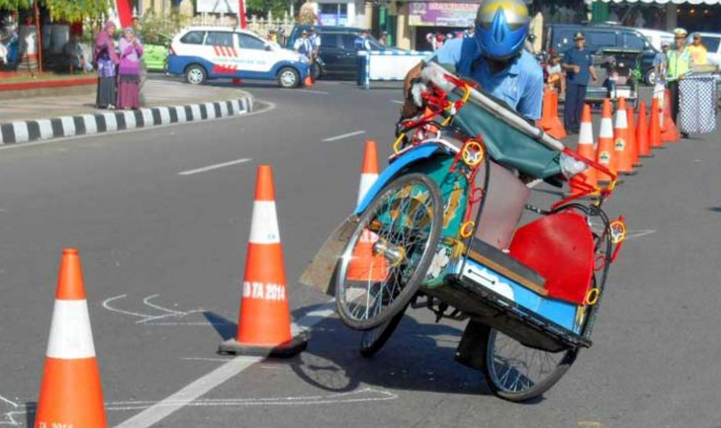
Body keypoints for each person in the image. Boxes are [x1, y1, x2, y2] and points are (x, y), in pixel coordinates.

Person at [402, 0, 544, 122]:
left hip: (500, 147)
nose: (494, 65)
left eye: (502, 62)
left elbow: (529, 126)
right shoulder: (458, 48)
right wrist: (412, 102)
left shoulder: (532, 72)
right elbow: (416, 72)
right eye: (489, 58)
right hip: (457, 137)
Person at [562, 32, 597, 134]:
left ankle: (576, 126)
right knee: (570, 105)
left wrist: (594, 75)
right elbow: (564, 65)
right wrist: (571, 67)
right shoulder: (570, 52)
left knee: (579, 105)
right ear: (574, 41)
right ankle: (568, 126)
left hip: (583, 82)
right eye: (577, 40)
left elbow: (590, 65)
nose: (579, 42)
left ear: (584, 40)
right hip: (572, 81)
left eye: (581, 40)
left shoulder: (587, 53)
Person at [667, 28, 692, 137]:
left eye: (681, 38)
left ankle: (685, 129)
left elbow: (692, 67)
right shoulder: (670, 52)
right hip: (672, 81)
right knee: (672, 105)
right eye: (677, 38)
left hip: (685, 81)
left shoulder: (688, 53)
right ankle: (672, 127)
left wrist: (685, 74)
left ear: (685, 40)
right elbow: (665, 66)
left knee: (685, 106)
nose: (679, 41)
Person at [94, 22, 120, 109]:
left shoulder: (110, 38)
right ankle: (103, 102)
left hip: (110, 64)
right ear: (107, 28)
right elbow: (98, 45)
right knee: (104, 82)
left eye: (113, 29)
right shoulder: (103, 35)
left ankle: (110, 101)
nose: (112, 30)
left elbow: (113, 51)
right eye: (110, 28)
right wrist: (104, 45)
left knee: (111, 82)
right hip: (103, 63)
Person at [117, 27, 143, 110]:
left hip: (134, 68)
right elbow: (123, 52)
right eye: (127, 33)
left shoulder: (136, 41)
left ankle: (133, 104)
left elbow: (140, 53)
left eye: (130, 33)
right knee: (125, 87)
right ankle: (125, 104)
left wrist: (137, 46)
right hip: (125, 67)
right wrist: (132, 46)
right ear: (124, 34)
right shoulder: (122, 41)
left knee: (133, 87)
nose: (129, 35)